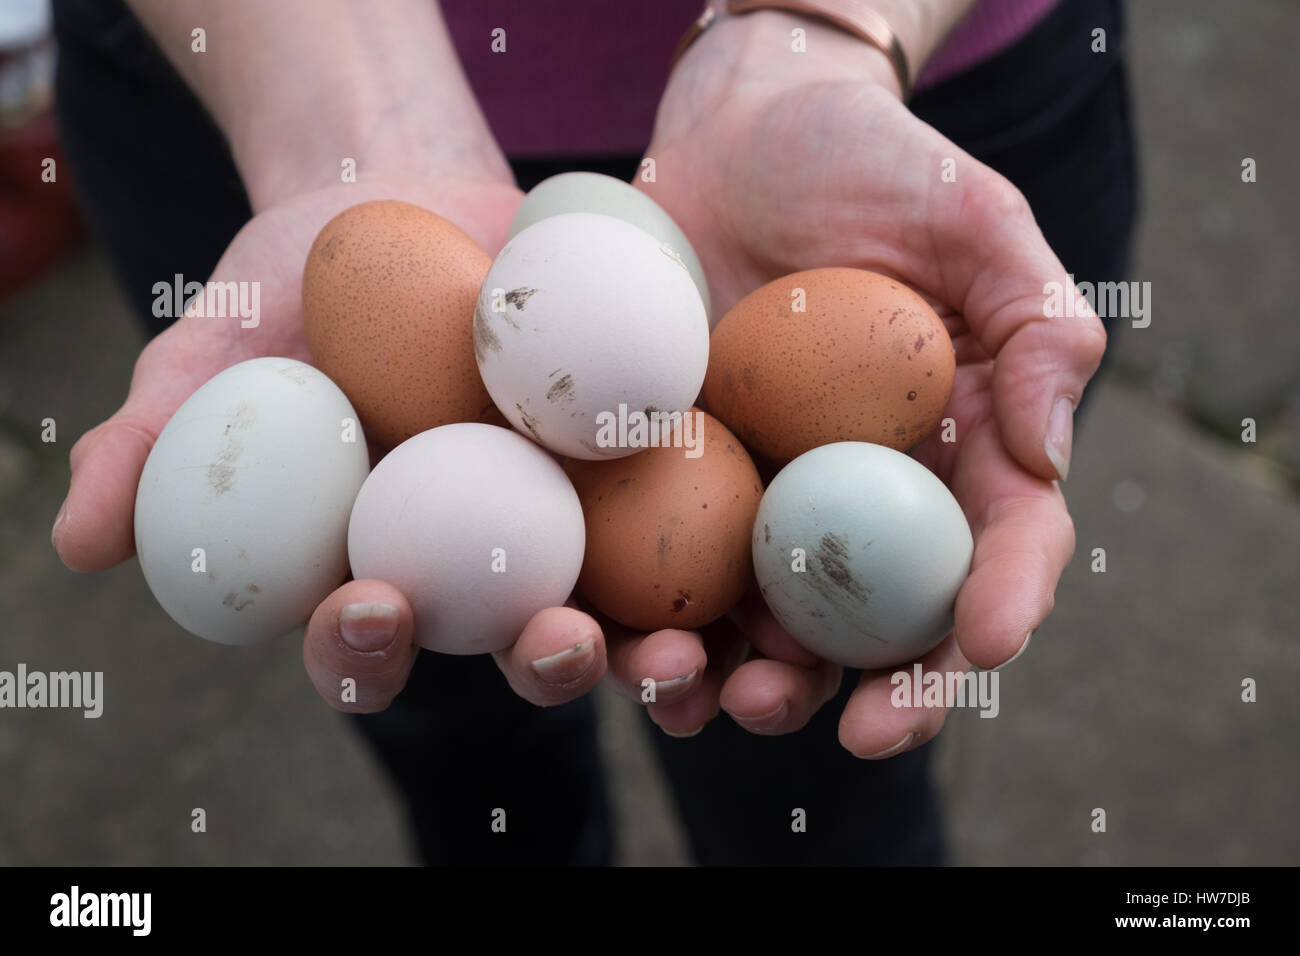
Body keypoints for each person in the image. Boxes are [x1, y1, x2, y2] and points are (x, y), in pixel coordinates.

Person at [50, 0, 1131, 864]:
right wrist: (348, 123)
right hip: (260, 72)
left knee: (804, 761)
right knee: (442, 705)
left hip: (917, 78)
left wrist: (812, 31)